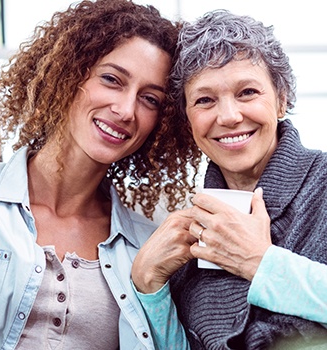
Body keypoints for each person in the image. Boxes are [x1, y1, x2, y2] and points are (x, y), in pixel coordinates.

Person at [0, 0, 193, 349]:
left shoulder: (145, 246)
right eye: (111, 80)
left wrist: (150, 282)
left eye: (150, 99)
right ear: (68, 73)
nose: (125, 110)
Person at [131, 9, 327, 349]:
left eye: (247, 92)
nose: (229, 116)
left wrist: (261, 263)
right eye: (205, 100)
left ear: (281, 100)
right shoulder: (184, 235)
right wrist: (149, 287)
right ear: (188, 119)